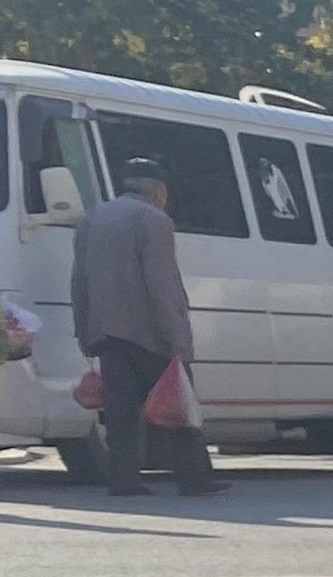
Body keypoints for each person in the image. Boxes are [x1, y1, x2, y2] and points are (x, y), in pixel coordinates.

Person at [70, 160, 221, 499]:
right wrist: (177, 337)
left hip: (105, 331)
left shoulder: (91, 219)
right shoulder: (153, 220)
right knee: (179, 402)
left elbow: (79, 281)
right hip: (148, 332)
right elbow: (161, 283)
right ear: (156, 190)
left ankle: (123, 479)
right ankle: (194, 479)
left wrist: (83, 329)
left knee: (121, 411)